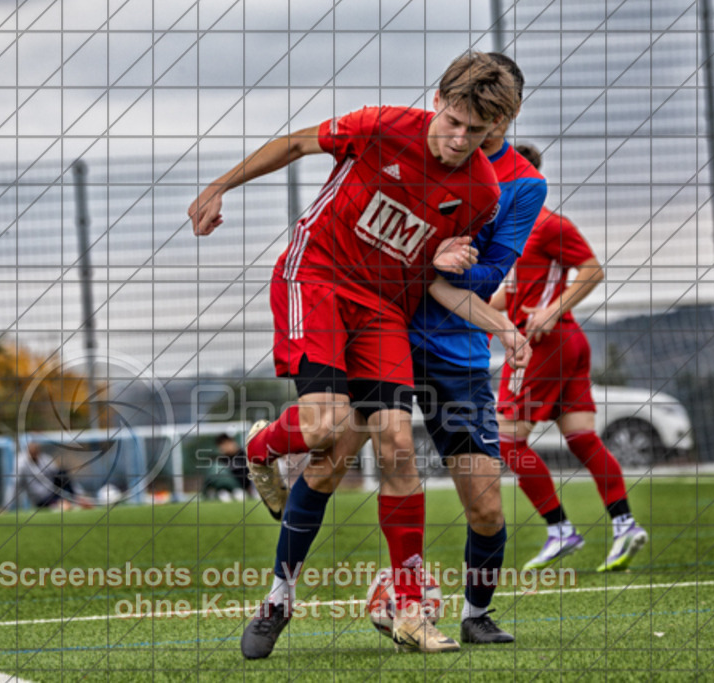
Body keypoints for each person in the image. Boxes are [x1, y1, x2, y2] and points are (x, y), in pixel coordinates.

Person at [189, 52, 520, 657]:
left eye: (477, 133)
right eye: (455, 122)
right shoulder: (379, 126)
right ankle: (262, 452)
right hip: (313, 280)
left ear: (494, 132)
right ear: (440, 99)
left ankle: (412, 609)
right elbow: (293, 145)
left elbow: (432, 275)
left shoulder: (481, 191)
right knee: (326, 432)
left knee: (397, 444)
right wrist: (218, 187)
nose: (459, 139)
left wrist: (462, 284)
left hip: (381, 313)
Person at [407, 52, 547, 645]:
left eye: (489, 118)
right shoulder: (414, 142)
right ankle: (279, 600)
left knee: (486, 505)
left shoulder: (523, 183)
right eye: (462, 114)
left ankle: (475, 614)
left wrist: (442, 271)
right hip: (382, 329)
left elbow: (490, 274)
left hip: (455, 350)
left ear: (507, 116)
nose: (470, 131)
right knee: (332, 455)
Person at [492, 144, 648, 573]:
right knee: (581, 438)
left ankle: (560, 529)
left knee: (507, 440)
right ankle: (624, 524)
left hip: (543, 343)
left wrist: (551, 310)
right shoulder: (513, 230)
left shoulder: (547, 225)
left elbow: (592, 270)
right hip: (564, 344)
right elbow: (513, 293)